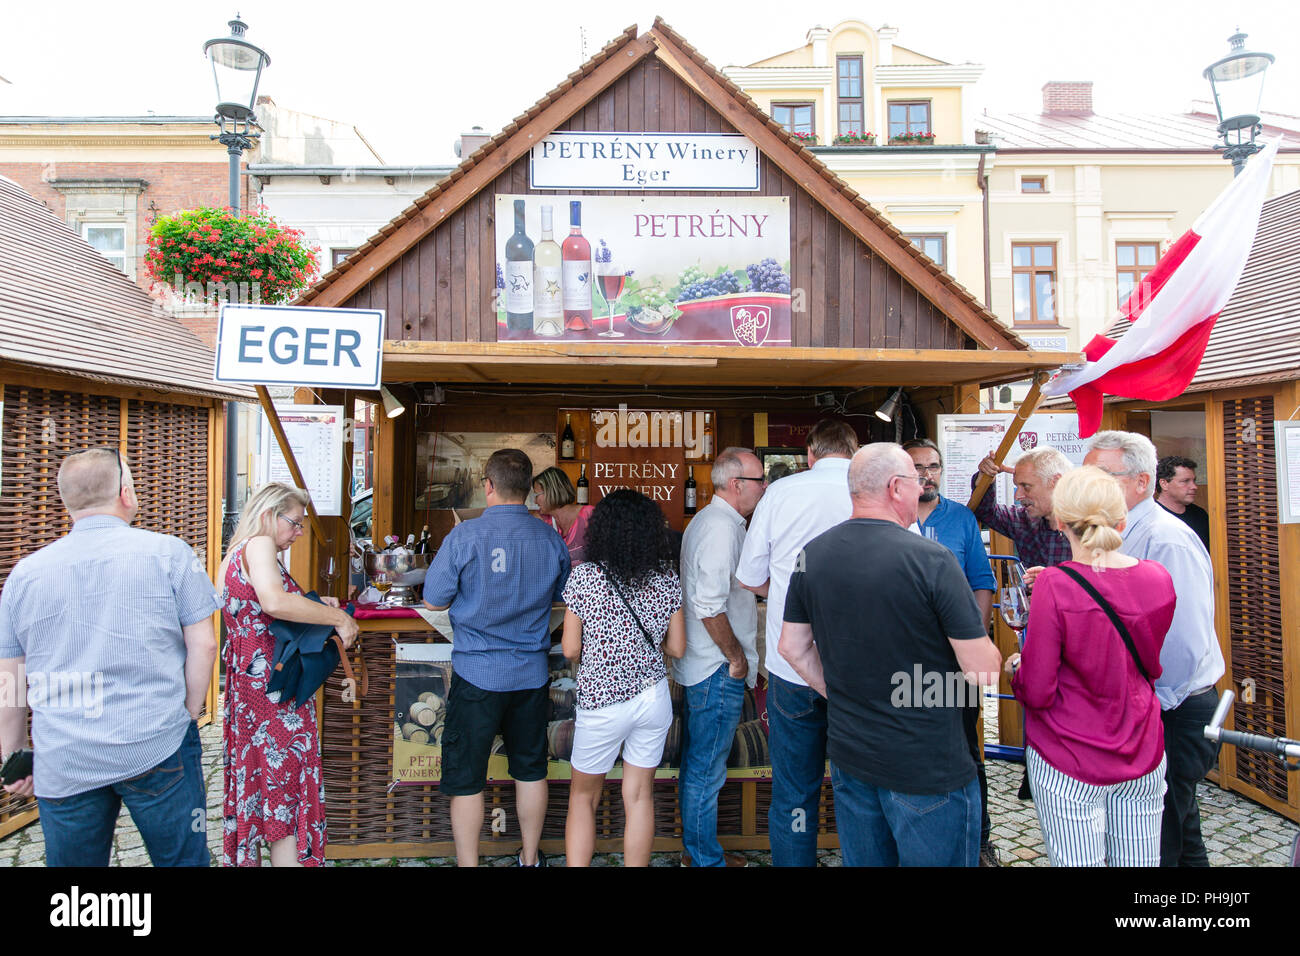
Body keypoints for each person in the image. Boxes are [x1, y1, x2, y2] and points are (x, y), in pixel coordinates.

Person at [780, 443, 1001, 867]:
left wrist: (840, 692)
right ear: (896, 487)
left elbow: (791, 647)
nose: (921, 489)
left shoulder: (813, 554)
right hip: (927, 761)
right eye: (916, 481)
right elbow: (982, 671)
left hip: (851, 754)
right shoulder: (933, 559)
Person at [0, 447, 218, 866]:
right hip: (156, 738)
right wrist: (189, 711)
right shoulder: (169, 553)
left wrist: (14, 753)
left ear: (67, 501)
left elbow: (9, 673)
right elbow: (205, 644)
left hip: (64, 753)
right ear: (126, 492)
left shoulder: (24, 574)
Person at [1004, 466, 1174, 866]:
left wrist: (1017, 667)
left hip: (1069, 751)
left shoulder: (1054, 585)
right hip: (1142, 744)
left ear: (1060, 520)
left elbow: (1039, 689)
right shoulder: (1158, 577)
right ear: (1122, 519)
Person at [423, 448, 570, 867]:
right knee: (530, 769)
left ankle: (469, 863)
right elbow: (565, 598)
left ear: (487, 486)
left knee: (467, 777)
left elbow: (433, 599)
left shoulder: (465, 536)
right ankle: (529, 858)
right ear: (527, 490)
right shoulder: (548, 537)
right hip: (530, 674)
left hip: (477, 673)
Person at [1084, 431, 1223, 867]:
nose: (1090, 485)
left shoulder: (1165, 539)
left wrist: (1146, 706)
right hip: (1153, 706)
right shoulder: (1121, 530)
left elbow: (1184, 642)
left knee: (1159, 838)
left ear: (1142, 481)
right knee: (1178, 830)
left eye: (1103, 475)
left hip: (1173, 708)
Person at [736, 418, 857, 867]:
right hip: (857, 668)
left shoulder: (782, 493)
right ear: (854, 448)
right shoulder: (877, 490)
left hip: (792, 668)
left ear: (809, 454)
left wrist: (789, 591)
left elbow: (750, 578)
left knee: (794, 791)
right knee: (858, 786)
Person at [219, 482, 358, 866]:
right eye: (294, 523)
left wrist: (313, 603)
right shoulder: (261, 544)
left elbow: (261, 611)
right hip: (274, 696)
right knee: (285, 793)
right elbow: (274, 602)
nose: (299, 533)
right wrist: (337, 617)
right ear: (267, 514)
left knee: (267, 793)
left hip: (248, 694)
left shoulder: (235, 553)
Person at [561, 490, 686, 866]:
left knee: (584, 797)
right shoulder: (666, 578)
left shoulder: (584, 577)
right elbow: (677, 648)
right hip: (652, 699)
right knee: (639, 796)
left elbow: (569, 649)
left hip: (601, 702)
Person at [904, 438, 999, 866]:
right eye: (918, 466)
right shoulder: (891, 515)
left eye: (934, 466)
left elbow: (982, 580)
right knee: (909, 747)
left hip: (952, 661)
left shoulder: (960, 518)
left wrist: (973, 641)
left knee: (964, 748)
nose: (927, 474)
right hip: (901, 659)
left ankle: (977, 841)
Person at [676, 447, 766, 867]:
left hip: (706, 665)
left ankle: (700, 855)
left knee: (703, 765)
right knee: (706, 769)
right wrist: (737, 659)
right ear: (737, 484)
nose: (765, 487)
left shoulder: (717, 523)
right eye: (760, 480)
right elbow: (709, 605)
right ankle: (704, 860)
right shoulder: (721, 528)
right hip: (715, 668)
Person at [972, 447, 1073, 569]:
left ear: (1056, 481)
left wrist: (1051, 579)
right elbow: (985, 511)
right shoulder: (1024, 520)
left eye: (1026, 486)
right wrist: (985, 479)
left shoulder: (1092, 529)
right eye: (1017, 487)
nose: (1018, 495)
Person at [533, 465, 594, 564]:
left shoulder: (589, 515)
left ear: (551, 492)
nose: (535, 501)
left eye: (536, 495)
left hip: (587, 578)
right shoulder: (541, 520)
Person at [1156, 456, 1211, 554]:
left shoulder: (1200, 515)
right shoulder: (1151, 517)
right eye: (1185, 481)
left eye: (1194, 481)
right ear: (1164, 484)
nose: (1194, 487)